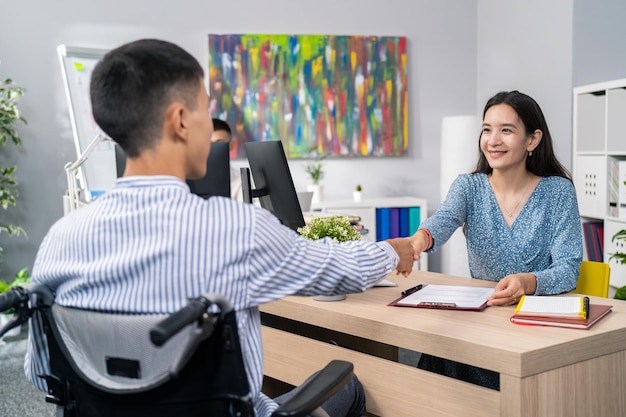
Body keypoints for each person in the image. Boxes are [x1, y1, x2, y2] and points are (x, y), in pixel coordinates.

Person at [24, 39, 419, 417]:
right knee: (348, 387)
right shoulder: (234, 230)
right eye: (203, 109)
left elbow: (41, 371)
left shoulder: (62, 238)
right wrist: (392, 250)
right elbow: (337, 271)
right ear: (180, 120)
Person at [410, 90, 583, 390]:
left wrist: (528, 282)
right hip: (480, 324)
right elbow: (443, 220)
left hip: (534, 331)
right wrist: (418, 241)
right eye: (487, 129)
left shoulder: (558, 192)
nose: (493, 140)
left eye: (506, 130)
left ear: (532, 139)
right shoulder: (469, 187)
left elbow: (569, 269)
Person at [210, 117, 243, 201]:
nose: (213, 149)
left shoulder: (241, 182)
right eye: (209, 143)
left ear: (231, 145)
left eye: (219, 144)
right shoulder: (190, 181)